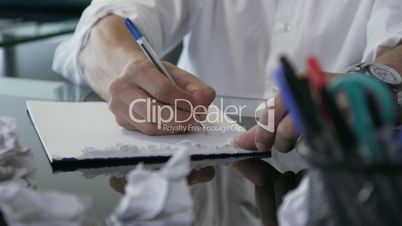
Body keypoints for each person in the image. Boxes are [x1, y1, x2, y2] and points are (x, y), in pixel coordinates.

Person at [53, 0, 402, 225]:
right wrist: (127, 67)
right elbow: (104, 22)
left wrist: (372, 85)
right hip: (201, 184)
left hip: (341, 189)